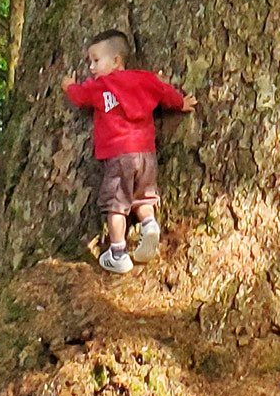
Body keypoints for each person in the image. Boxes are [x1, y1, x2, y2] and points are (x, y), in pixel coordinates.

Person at [61, 29, 197, 273]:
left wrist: (69, 86)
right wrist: (181, 103)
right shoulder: (143, 80)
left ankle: (118, 253)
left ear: (116, 61)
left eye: (95, 60)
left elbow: (80, 98)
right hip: (146, 154)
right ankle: (149, 225)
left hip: (119, 156)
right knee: (142, 197)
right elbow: (162, 90)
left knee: (116, 205)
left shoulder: (99, 86)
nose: (91, 68)